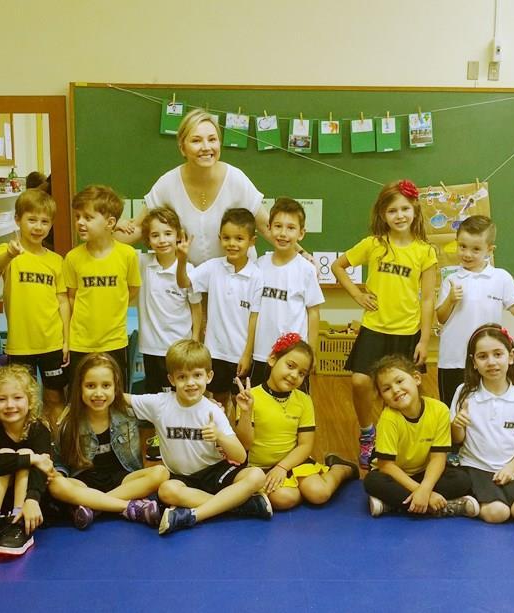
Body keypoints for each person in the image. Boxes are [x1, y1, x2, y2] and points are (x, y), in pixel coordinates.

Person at [331, 180, 437, 470]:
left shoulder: (425, 251)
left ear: (414, 210)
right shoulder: (374, 245)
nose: (400, 215)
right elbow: (338, 266)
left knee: (407, 391)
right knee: (360, 381)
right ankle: (368, 433)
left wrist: (425, 341)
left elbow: (427, 299)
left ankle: (408, 443)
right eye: (393, 210)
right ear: (383, 214)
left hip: (407, 332)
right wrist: (357, 293)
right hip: (375, 328)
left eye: (405, 209)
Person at [124, 339, 271, 535]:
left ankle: (194, 515)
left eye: (197, 375)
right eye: (182, 377)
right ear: (171, 379)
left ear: (209, 376)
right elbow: (123, 399)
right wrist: (100, 393)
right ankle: (240, 505)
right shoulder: (159, 404)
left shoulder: (212, 410)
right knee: (166, 490)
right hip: (184, 479)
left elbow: (240, 456)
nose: (191, 382)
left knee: (256, 475)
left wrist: (219, 436)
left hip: (216, 472)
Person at [115, 108, 272, 265]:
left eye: (212, 139)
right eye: (196, 140)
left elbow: (267, 226)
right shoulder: (167, 183)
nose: (206, 147)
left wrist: (295, 251)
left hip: (235, 280)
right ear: (182, 148)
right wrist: (107, 229)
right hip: (189, 282)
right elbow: (136, 229)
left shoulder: (236, 179)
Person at [235, 333, 358, 511]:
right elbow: (244, 444)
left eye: (302, 373)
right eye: (290, 366)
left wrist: (283, 467)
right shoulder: (250, 397)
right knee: (285, 498)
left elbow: (305, 445)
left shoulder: (303, 400)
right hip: (259, 468)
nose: (294, 375)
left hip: (293, 462)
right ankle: (294, 487)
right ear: (272, 360)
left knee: (319, 493)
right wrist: (246, 413)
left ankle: (340, 468)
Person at [48, 353, 170, 529]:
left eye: (106, 385)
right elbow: (60, 464)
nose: (98, 393)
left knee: (160, 473)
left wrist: (203, 404)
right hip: (84, 483)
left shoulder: (129, 414)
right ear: (80, 388)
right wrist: (58, 475)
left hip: (123, 480)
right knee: (56, 484)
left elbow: (168, 409)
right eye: (90, 386)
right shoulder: (69, 422)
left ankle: (94, 506)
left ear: (116, 387)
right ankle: (125, 506)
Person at [0, 188, 70, 428]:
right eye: (31, 219)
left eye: (45, 221)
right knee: (21, 399)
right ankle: (28, 445)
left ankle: (56, 446)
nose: (38, 227)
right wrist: (10, 255)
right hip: (20, 344)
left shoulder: (56, 261)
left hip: (52, 342)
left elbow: (63, 301)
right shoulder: (8, 252)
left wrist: (66, 340)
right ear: (18, 220)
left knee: (55, 397)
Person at [363, 355, 478, 518]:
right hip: (394, 475)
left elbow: (438, 458)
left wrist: (425, 488)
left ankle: (393, 506)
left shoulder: (439, 410)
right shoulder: (389, 418)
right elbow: (386, 466)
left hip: (424, 472)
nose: (395, 390)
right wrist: (425, 492)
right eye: (386, 389)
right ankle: (442, 506)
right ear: (383, 397)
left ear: (416, 378)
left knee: (462, 480)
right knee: (372, 482)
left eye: (400, 381)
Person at [435, 215, 514, 403]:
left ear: (490, 249)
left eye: (476, 249)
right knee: (452, 408)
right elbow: (441, 317)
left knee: (485, 405)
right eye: (462, 246)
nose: (467, 254)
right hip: (454, 359)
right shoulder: (451, 279)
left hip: (487, 361)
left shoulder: (501, 277)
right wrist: (451, 300)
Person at [449, 324, 514, 523]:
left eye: (498, 354)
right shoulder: (465, 393)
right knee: (498, 513)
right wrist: (458, 424)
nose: (491, 362)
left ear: (511, 356)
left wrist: (513, 467)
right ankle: (465, 504)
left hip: (511, 468)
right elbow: (458, 440)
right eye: (483, 356)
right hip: (476, 467)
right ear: (474, 362)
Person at [176, 207, 261, 410]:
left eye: (239, 238)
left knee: (242, 402)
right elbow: (184, 282)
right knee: (218, 400)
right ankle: (220, 440)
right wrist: (181, 260)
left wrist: (247, 354)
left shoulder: (257, 275)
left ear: (252, 241)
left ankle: (237, 440)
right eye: (226, 238)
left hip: (240, 353)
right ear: (219, 238)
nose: (232, 244)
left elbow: (254, 318)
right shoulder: (213, 267)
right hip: (215, 352)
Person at [0, 365, 55, 557]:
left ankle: (18, 522)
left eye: (17, 398)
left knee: (23, 452)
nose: (10, 405)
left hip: (29, 499)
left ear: (30, 401)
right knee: (14, 454)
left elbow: (44, 469)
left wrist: (32, 499)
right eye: (1, 399)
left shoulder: (39, 429)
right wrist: (30, 458)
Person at [64, 185, 141, 383]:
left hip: (114, 341)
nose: (80, 222)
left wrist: (113, 305)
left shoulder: (127, 255)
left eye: (88, 218)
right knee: (81, 397)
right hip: (80, 343)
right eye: (77, 216)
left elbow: (132, 289)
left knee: (113, 396)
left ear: (110, 223)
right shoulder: (73, 258)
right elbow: (71, 297)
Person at [247, 197, 323, 389]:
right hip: (261, 353)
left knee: (295, 409)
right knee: (257, 408)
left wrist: (312, 352)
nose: (283, 233)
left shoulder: (306, 270)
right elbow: (251, 312)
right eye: (278, 226)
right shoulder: (258, 267)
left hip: (294, 357)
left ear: (301, 233)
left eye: (291, 228)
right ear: (269, 228)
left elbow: (313, 312)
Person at [137, 205, 202, 393]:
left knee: (180, 395)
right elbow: (115, 241)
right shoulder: (142, 263)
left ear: (178, 235)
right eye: (155, 235)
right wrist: (132, 223)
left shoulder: (189, 270)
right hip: (151, 347)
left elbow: (196, 308)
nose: (162, 240)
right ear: (148, 240)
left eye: (168, 233)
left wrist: (195, 338)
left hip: (179, 347)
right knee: (155, 397)